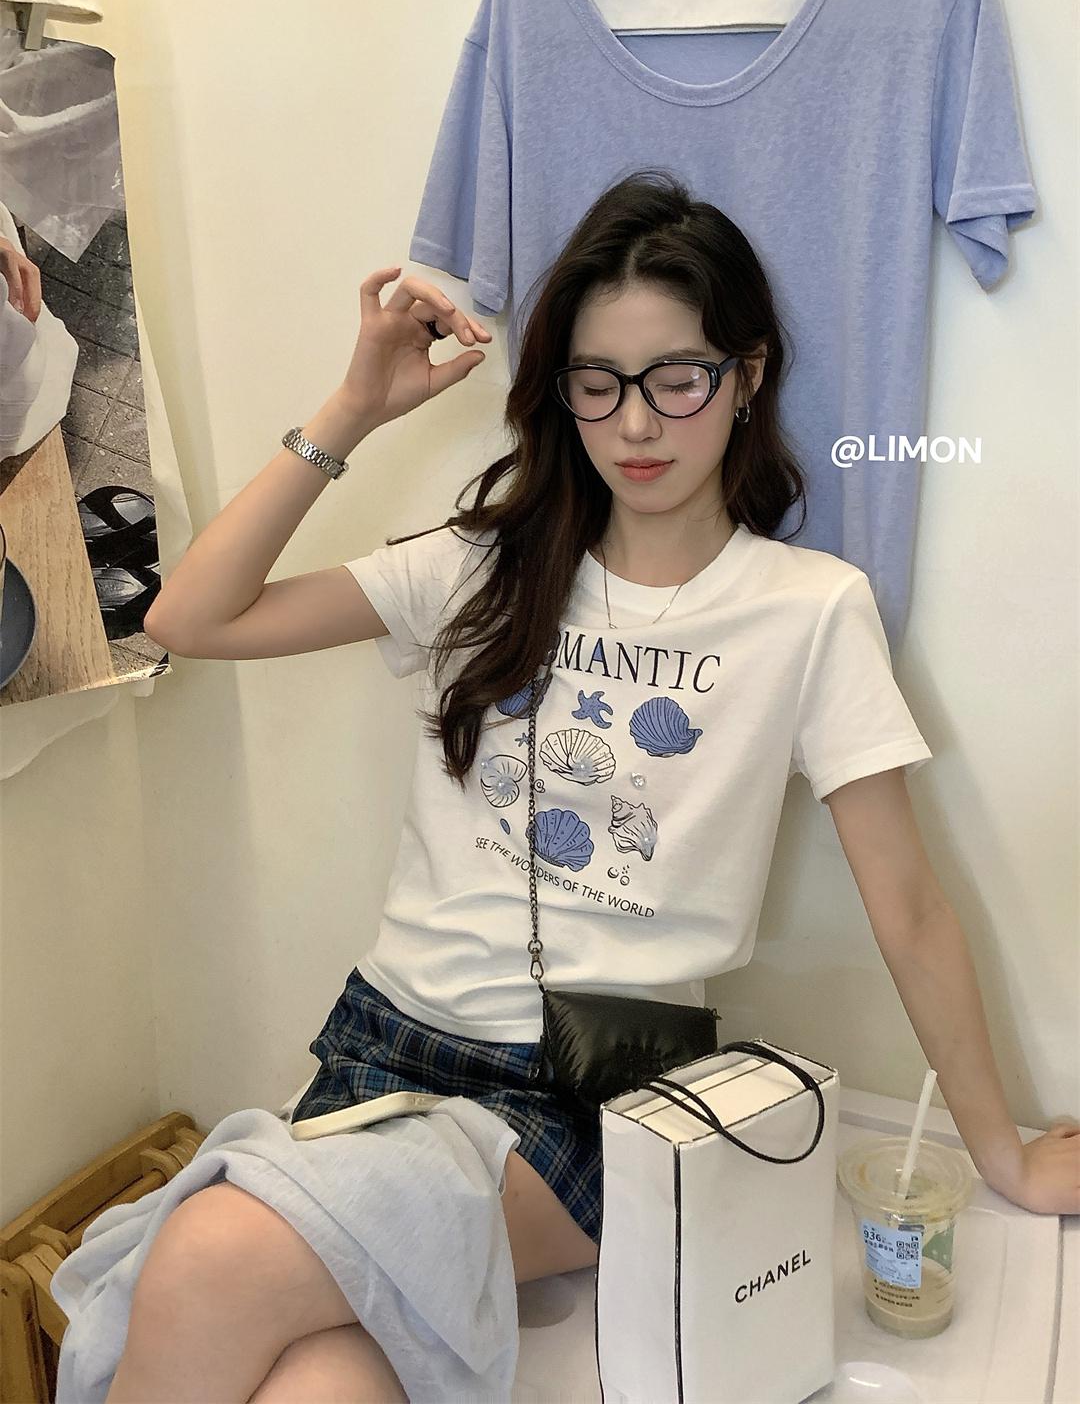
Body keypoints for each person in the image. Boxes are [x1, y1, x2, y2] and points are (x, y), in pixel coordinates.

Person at [114, 171, 1079, 1404]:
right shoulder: (483, 567)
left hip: (589, 1101)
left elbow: (913, 910)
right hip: (382, 1052)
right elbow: (190, 620)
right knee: (323, 1384)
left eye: (678, 378)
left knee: (206, 1258)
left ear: (748, 375)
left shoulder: (808, 611)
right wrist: (353, 408)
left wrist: (1003, 1158)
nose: (636, 424)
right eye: (598, 382)